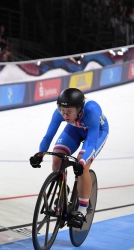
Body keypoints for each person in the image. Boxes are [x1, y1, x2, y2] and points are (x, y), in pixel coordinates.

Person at [29, 88, 109, 226]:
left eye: (69, 112)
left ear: (79, 109)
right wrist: (40, 153)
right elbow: (48, 136)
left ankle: (82, 209)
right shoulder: (61, 112)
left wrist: (82, 161)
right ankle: (62, 188)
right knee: (57, 157)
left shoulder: (92, 110)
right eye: (62, 111)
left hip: (96, 133)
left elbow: (91, 143)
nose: (65, 115)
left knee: (82, 166)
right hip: (75, 129)